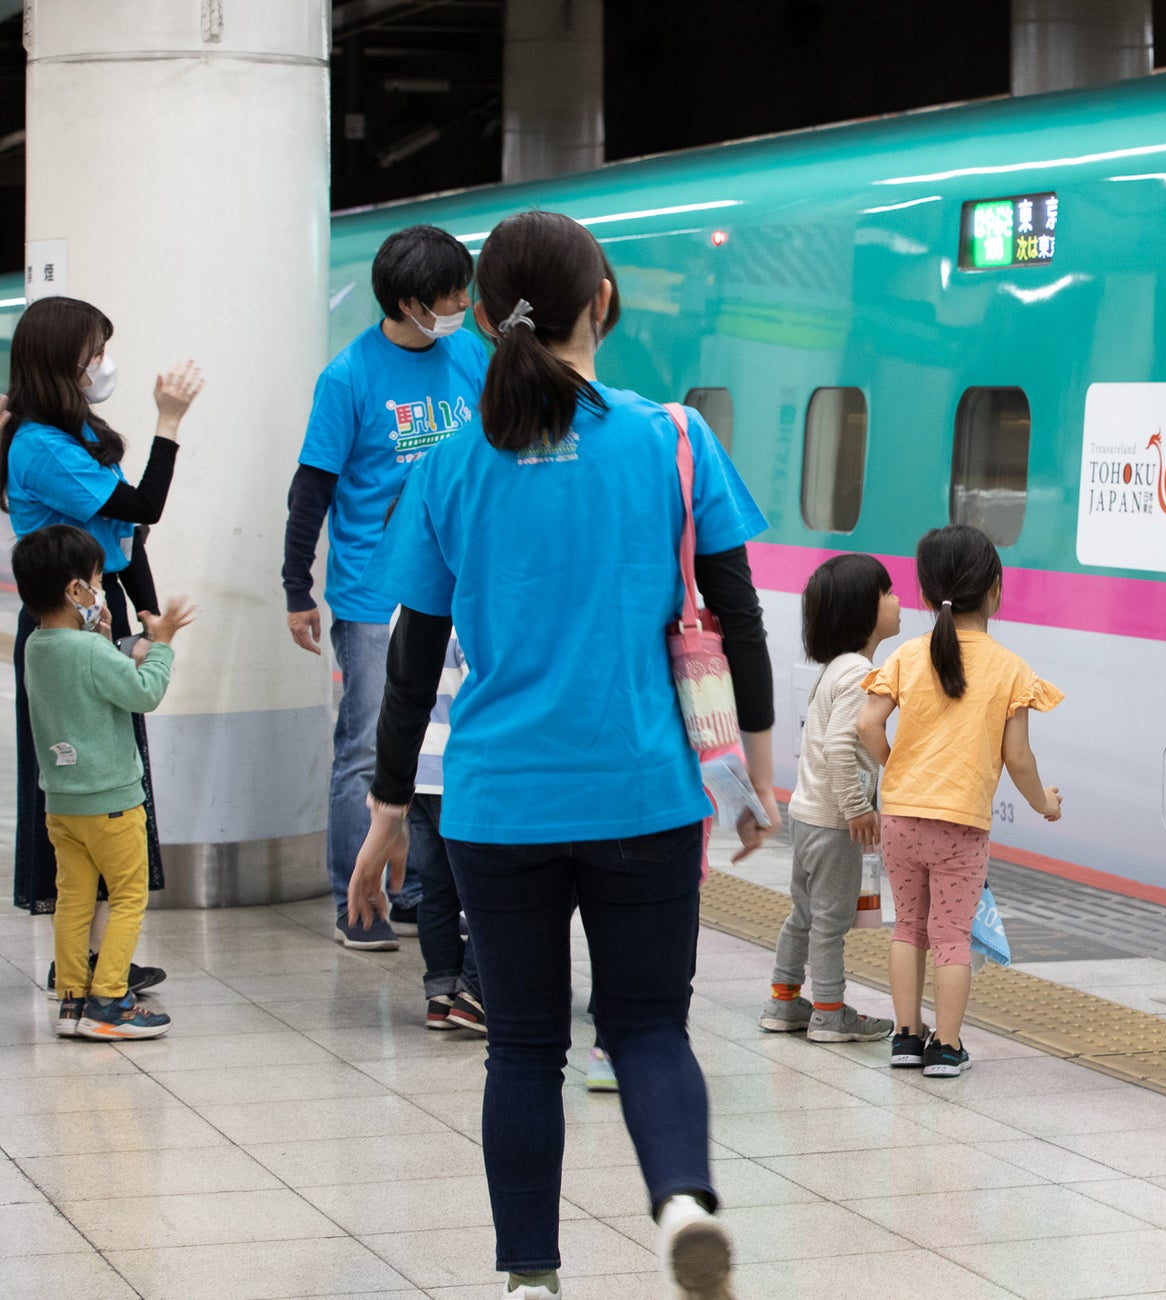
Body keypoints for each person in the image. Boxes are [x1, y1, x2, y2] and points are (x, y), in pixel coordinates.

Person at [344, 210, 774, 1300]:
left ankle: (530, 1279)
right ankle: (681, 1199)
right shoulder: (675, 440)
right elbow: (739, 616)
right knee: (644, 1025)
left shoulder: (449, 468)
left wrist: (390, 808)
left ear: (482, 320)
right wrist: (754, 779)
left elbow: (412, 660)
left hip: (499, 805)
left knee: (523, 1048)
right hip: (646, 793)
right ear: (607, 303)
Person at [283, 224, 488, 951]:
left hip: (461, 590)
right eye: (449, 294)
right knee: (368, 748)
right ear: (408, 300)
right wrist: (295, 589)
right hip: (376, 594)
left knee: (442, 747)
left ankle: (418, 891)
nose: (462, 304)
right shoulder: (349, 376)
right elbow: (312, 488)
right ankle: (356, 899)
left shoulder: (467, 353)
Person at [3, 296, 201, 997]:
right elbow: (139, 507)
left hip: (98, 608)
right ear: (62, 363)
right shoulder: (40, 446)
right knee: (89, 790)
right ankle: (85, 969)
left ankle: (86, 963)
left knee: (115, 772)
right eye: (92, 355)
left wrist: (145, 611)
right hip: (68, 619)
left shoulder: (70, 430)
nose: (102, 366)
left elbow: (123, 541)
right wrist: (170, 422)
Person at [857, 525, 1063, 1079]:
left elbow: (866, 723)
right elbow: (1017, 757)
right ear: (996, 589)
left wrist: (894, 764)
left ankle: (905, 1037)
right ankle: (945, 1047)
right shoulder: (1009, 667)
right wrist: (1043, 801)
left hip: (900, 816)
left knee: (908, 928)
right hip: (960, 829)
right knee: (949, 936)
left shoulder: (905, 655)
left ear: (924, 597)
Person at [13, 524, 194, 1040]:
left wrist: (99, 636)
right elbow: (143, 693)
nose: (100, 590)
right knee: (127, 896)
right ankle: (111, 1000)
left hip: (62, 805)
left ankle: (72, 1001)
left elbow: (81, 685)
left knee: (73, 898)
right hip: (112, 802)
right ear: (76, 592)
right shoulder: (90, 652)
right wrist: (162, 646)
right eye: (96, 581)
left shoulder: (38, 647)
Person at [760, 553, 901, 1043]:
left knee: (803, 914)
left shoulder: (835, 668)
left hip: (806, 815)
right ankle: (828, 1010)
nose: (898, 599)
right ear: (864, 609)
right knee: (831, 922)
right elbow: (841, 747)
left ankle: (783, 1000)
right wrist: (858, 809)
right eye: (887, 593)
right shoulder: (861, 675)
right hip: (832, 824)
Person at [409, 622, 484, 1034]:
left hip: (418, 772)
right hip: (458, 776)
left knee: (436, 891)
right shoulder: (468, 618)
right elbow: (482, 693)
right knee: (480, 892)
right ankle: (475, 996)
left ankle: (440, 994)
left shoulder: (404, 614)